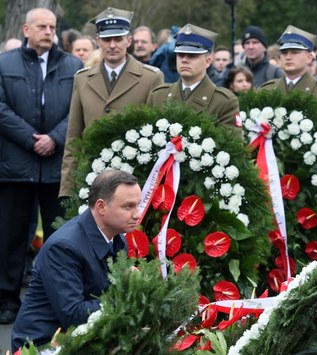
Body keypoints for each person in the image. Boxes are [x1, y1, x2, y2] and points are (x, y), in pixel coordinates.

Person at [0, 8, 83, 325]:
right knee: (11, 236)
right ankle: (6, 298)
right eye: (42, 26)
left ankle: (56, 299)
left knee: (59, 236)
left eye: (53, 26)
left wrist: (55, 138)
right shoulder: (5, 64)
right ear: (25, 29)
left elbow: (78, 107)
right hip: (15, 165)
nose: (49, 31)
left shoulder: (73, 66)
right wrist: (30, 138)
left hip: (56, 167)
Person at [11, 169, 140, 351]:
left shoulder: (118, 237)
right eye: (128, 206)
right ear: (101, 207)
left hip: (84, 335)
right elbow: (73, 313)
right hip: (42, 345)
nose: (137, 214)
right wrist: (126, 292)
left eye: (138, 205)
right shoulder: (64, 247)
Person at [60, 7, 164, 197]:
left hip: (134, 178)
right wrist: (67, 188)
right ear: (98, 41)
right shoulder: (82, 79)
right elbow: (73, 137)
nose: (113, 45)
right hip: (91, 176)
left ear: (129, 40)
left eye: (118, 39)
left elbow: (158, 137)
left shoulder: (151, 78)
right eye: (107, 39)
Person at [147, 24, 239, 128]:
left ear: (208, 61)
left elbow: (231, 142)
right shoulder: (158, 96)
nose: (184, 60)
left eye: (192, 55)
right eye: (180, 55)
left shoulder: (224, 102)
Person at [260, 25, 317, 104]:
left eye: (295, 52)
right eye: (284, 53)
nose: (288, 57)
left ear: (309, 57)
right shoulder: (267, 90)